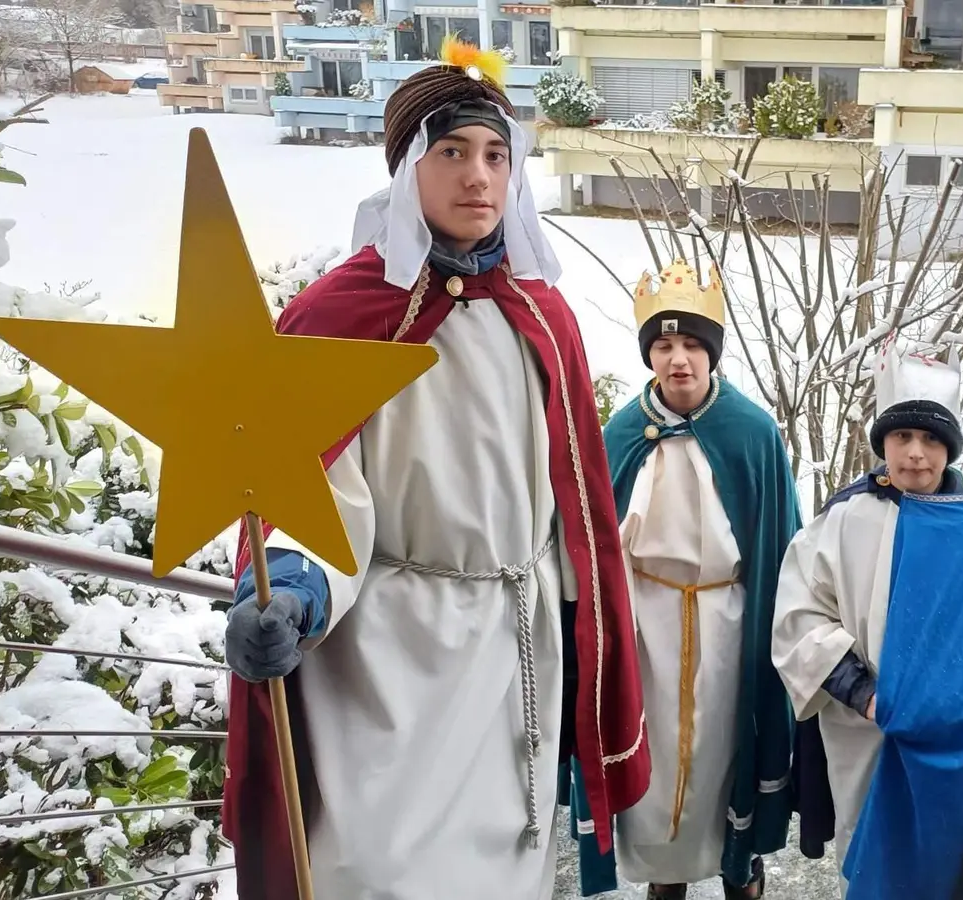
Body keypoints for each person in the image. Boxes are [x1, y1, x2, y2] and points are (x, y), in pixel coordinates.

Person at [218, 39, 650, 900]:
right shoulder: (337, 317)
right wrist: (294, 591)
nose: (478, 178)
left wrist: (588, 621)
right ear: (408, 166)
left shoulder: (544, 316)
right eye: (451, 153)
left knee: (506, 866)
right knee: (374, 868)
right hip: (386, 652)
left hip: (512, 648)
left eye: (496, 156)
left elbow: (576, 505)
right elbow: (309, 489)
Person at [573, 259, 800, 899]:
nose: (679, 360)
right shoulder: (620, 432)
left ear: (712, 353)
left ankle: (739, 868)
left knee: (719, 753)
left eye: (693, 344)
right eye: (665, 345)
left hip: (728, 622)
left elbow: (784, 544)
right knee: (654, 753)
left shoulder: (752, 434)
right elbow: (591, 541)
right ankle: (663, 879)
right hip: (644, 628)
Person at [772, 341, 963, 900]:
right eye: (902, 437)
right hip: (868, 731)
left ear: (950, 448)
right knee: (871, 860)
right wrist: (862, 692)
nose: (916, 453)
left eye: (932, 439)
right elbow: (799, 617)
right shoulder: (845, 518)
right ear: (882, 442)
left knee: (949, 864)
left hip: (961, 740)